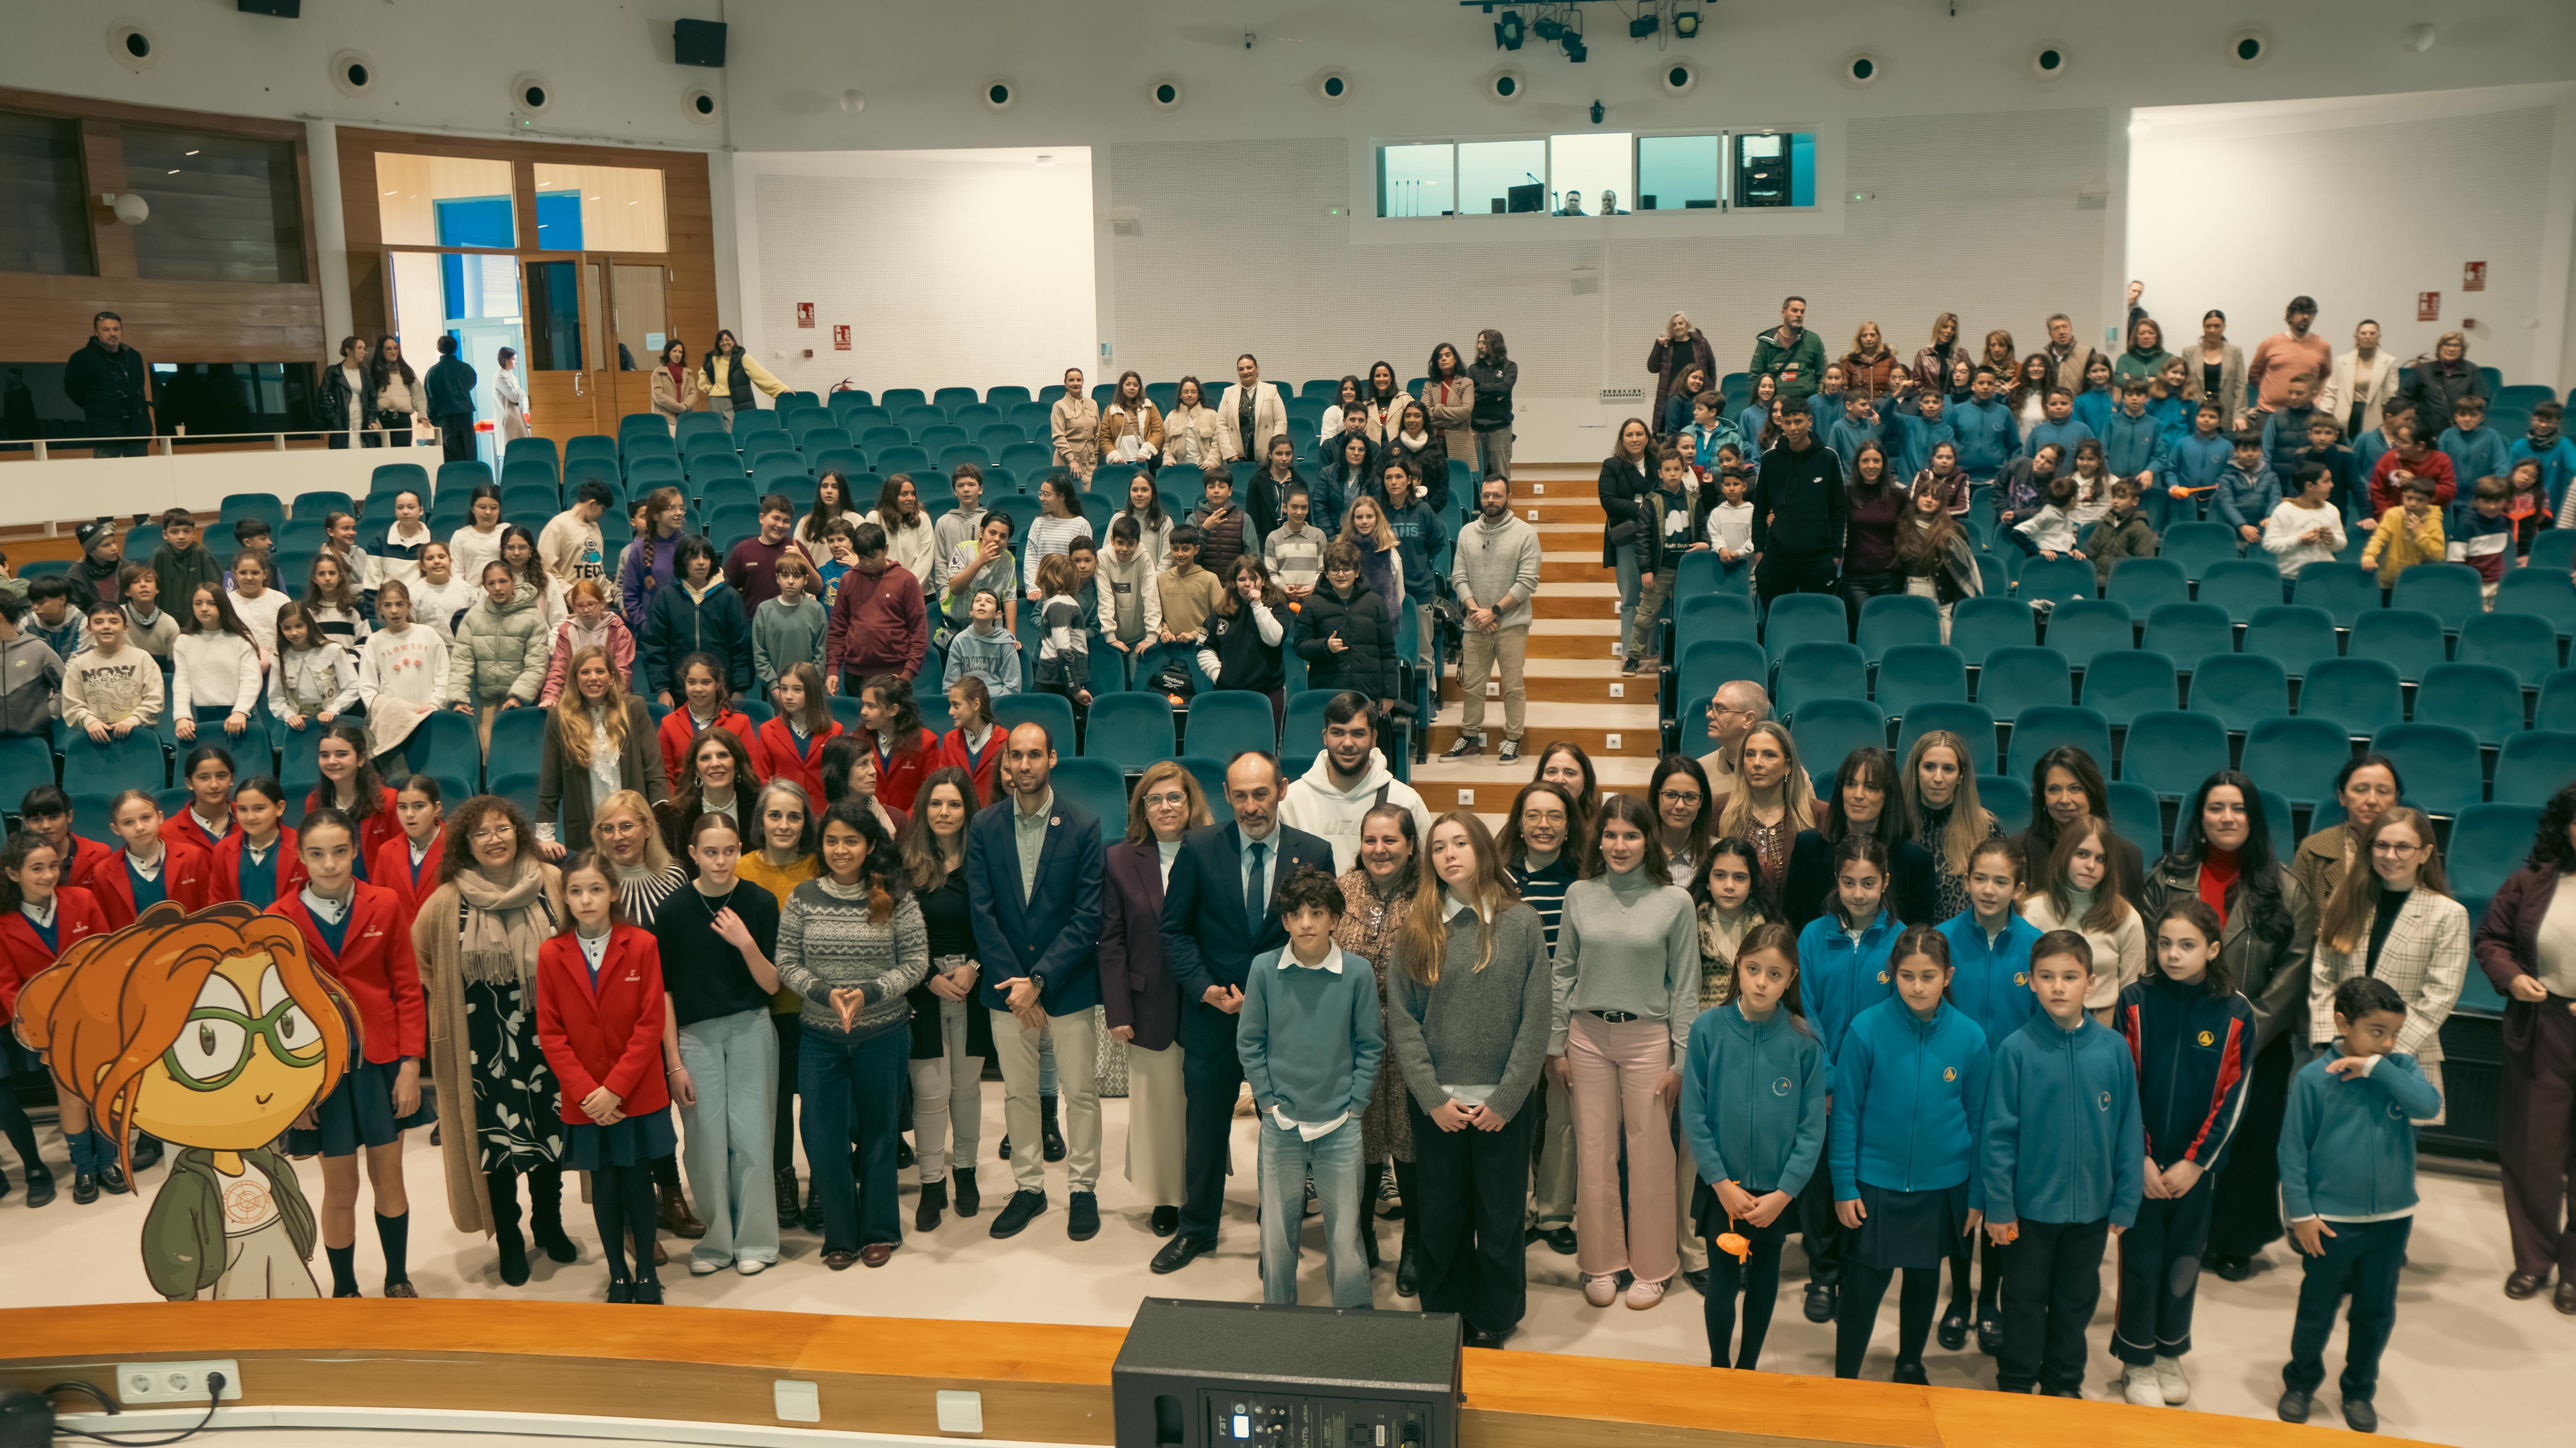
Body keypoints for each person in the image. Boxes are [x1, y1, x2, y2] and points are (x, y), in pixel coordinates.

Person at [1151, 753, 1335, 1275]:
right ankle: (1197, 1229)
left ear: (1280, 788)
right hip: (1211, 1017)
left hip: (1286, 1021)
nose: (1252, 805)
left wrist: (1274, 995)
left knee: (1283, 1134)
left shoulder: (1314, 851)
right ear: (1227, 796)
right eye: (1241, 795)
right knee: (1204, 1131)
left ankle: (1276, 1238)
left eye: (1261, 792)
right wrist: (1207, 989)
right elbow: (1175, 930)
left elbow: (1321, 937)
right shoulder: (1200, 847)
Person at [2142, 770, 2316, 1282]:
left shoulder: (2286, 887)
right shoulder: (2166, 878)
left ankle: (2236, 1240)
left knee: (2249, 1141)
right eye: (2215, 807)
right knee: (2182, 1134)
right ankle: (2178, 1230)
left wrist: (2240, 1032)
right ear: (2199, 819)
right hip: (2177, 1031)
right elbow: (2154, 953)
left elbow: (2295, 967)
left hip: (2258, 1039)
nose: (2226, 817)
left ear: (2253, 818)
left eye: (2237, 808)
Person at [411, 794, 573, 1288]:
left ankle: (550, 1222)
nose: (495, 838)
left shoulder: (550, 883)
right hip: (480, 1047)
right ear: (465, 843)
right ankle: (509, 1238)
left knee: (551, 1134)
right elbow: (424, 958)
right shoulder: (446, 901)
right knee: (495, 1146)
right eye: (481, 832)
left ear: (518, 832)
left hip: (546, 1039)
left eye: (503, 827)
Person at [273, 807, 429, 1298]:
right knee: (340, 1189)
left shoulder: (383, 903)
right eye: (317, 854)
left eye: (340, 851)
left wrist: (410, 1065)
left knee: (390, 1177)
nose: (330, 863)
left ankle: (398, 1277)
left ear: (354, 851)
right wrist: (292, 1093)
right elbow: (275, 1011)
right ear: (301, 857)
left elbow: (407, 987)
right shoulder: (277, 919)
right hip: (320, 1074)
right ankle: (344, 1288)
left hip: (382, 1065)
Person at [2275, 975, 2442, 1433]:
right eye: (2376, 1031)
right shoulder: (2313, 1078)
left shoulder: (2400, 1068)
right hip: (2329, 1224)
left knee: (2376, 1311)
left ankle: (2359, 1389)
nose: (2388, 1042)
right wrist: (2302, 1214)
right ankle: (2300, 1382)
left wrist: (2377, 1068)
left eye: (2394, 1033)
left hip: (2391, 1222)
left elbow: (2428, 1105)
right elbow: (2292, 1150)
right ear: (2342, 1022)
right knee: (2317, 1308)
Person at [1981, 929, 2143, 1398]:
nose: (2058, 987)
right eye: (2047, 976)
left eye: (2070, 976)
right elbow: (1998, 1136)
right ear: (2030, 981)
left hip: (2090, 1211)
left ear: (2090, 982)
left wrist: (2126, 1199)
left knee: (2076, 1300)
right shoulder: (2015, 1049)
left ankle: (2062, 1381)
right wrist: (1999, 1205)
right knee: (2022, 1298)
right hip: (2026, 1211)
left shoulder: (2113, 1049)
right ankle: (2015, 1378)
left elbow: (2129, 1128)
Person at [1551, 793, 1698, 1310]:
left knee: (1652, 1153)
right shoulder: (1579, 895)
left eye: (1631, 835)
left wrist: (1682, 1057)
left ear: (1648, 840)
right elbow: (1563, 971)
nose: (1619, 845)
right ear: (1598, 839)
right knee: (1594, 1151)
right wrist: (1556, 1043)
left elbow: (1685, 987)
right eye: (1610, 834)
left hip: (1648, 1038)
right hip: (1587, 1035)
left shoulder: (1675, 901)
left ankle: (1653, 1267)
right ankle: (1601, 1260)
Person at [963, 721, 1106, 1242]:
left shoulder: (1084, 825)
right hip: (1007, 989)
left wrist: (1040, 979)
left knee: (1081, 1092)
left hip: (1066, 982)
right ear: (1006, 765)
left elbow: (1088, 916)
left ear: (1052, 759)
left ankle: (1084, 1188)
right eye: (1015, 756)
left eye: (1034, 755)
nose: (1024, 765)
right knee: (1019, 1095)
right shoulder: (984, 825)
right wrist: (1015, 983)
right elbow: (983, 913)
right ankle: (1029, 1188)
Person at [2111, 896, 2255, 1406]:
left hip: (2197, 1169)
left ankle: (2170, 1351)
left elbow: (2233, 1098)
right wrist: (2141, 1157)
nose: (2174, 954)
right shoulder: (2134, 1001)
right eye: (2165, 943)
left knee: (2183, 1262)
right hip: (2144, 1164)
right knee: (2142, 1259)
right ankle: (2136, 1357)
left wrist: (2198, 1161)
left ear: (2213, 949)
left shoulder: (2237, 1012)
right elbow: (2122, 1086)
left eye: (2188, 945)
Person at [1829, 924, 1988, 1384]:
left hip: (1943, 1185)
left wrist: (1976, 1192)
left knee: (1923, 1280)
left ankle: (1910, 1362)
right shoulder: (1866, 1029)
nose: (1917, 986)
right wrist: (1844, 1183)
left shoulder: (1971, 1037)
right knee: (1863, 1284)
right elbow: (1846, 1115)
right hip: (1875, 1182)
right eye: (1907, 975)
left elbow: (1980, 1121)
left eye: (1928, 975)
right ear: (1892, 975)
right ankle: (1845, 1376)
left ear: (1948, 976)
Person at [778, 800, 931, 1269]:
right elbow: (786, 961)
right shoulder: (803, 895)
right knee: (823, 1136)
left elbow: (917, 962)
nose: (840, 850)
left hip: (883, 1033)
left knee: (882, 1132)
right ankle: (840, 1235)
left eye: (851, 840)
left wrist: (867, 992)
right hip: (821, 1037)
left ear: (869, 846)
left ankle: (880, 1230)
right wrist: (825, 992)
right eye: (832, 840)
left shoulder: (896, 895)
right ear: (821, 845)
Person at [1235, 863, 1381, 1307]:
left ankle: (1353, 1315)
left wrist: (1355, 1106)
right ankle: (1280, 1314)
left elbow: (1370, 1045)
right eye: (1296, 914)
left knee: (1345, 1233)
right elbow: (1251, 1041)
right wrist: (1267, 1101)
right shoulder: (1264, 969)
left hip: (1340, 1123)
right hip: (1282, 1124)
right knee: (1277, 1232)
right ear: (1284, 920)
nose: (1305, 923)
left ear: (1335, 919)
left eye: (1317, 913)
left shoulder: (1357, 973)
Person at [1683, 919, 1826, 1368]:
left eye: (1776, 973)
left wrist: (1784, 1193)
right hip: (1722, 1187)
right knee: (1722, 1285)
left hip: (1775, 1196)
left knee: (1764, 1281)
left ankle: (1748, 1368)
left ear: (1791, 979)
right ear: (1738, 968)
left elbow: (1811, 1130)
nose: (1762, 982)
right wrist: (1721, 1183)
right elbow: (1694, 1113)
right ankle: (1719, 1366)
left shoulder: (1804, 1041)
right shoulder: (1708, 1030)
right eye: (1754, 969)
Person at [533, 848, 674, 1302]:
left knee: (638, 1179)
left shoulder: (642, 943)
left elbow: (651, 1021)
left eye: (596, 889)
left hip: (634, 1091)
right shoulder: (552, 954)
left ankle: (647, 1271)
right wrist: (589, 1091)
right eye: (576, 891)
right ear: (566, 899)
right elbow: (551, 1033)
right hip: (586, 1097)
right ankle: (618, 1272)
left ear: (613, 891)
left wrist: (615, 1087)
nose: (587, 899)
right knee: (606, 1185)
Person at [654, 812, 784, 1276]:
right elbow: (663, 992)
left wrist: (746, 942)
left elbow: (772, 984)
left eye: (730, 850)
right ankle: (715, 1242)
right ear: (692, 854)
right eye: (711, 851)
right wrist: (673, 1062)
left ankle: (757, 1241)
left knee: (752, 1137)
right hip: (694, 1037)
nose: (721, 860)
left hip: (751, 1026)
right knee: (705, 1142)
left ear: (739, 848)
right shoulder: (671, 912)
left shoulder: (760, 902)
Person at [2475, 784, 2576, 1311]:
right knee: (2534, 1152)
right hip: (2545, 1025)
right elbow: (2491, 939)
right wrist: (2511, 977)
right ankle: (2534, 1260)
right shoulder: (2531, 882)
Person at [1099, 760, 1207, 1240]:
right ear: (1142, 806)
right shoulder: (1120, 859)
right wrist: (1118, 1010)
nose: (1166, 807)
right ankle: (1166, 1196)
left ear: (1191, 803)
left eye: (1175, 797)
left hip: (1207, 1003)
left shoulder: (1212, 851)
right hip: (1149, 1005)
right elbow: (1112, 940)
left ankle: (1202, 1190)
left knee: (1201, 1104)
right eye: (1155, 798)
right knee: (1158, 1106)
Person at [2307, 805, 2467, 1110]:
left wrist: (2382, 1051)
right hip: (2339, 1051)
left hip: (2404, 1058)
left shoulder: (2448, 914)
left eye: (2403, 847)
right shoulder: (2345, 899)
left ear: (2425, 853)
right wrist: (2338, 1041)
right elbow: (2323, 975)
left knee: (2390, 1152)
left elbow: (2439, 996)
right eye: (2381, 845)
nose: (2390, 856)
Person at [0, 832, 112, 1206]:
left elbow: (105, 960)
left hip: (94, 1017)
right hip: (46, 1030)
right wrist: (40, 1029)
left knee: (100, 1089)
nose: (48, 875)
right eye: (37, 869)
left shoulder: (83, 900)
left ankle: (109, 1162)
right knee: (70, 1095)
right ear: (13, 874)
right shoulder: (3, 921)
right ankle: (83, 1167)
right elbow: (8, 986)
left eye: (53, 866)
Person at [737, 781, 823, 1229]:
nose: (785, 824)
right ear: (761, 820)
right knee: (774, 1107)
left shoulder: (819, 865)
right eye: (775, 815)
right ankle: (782, 1179)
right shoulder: (741, 869)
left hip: (815, 1010)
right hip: (762, 1013)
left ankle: (824, 1182)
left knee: (817, 1103)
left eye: (794, 816)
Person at [536, 645, 670, 859]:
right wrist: (545, 835)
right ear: (575, 678)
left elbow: (654, 770)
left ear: (612, 677)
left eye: (600, 671)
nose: (593, 678)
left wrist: (664, 820)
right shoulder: (558, 718)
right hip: (586, 825)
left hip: (633, 823)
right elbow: (551, 780)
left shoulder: (635, 708)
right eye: (585, 672)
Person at [1279, 693, 1432, 872]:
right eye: (1338, 733)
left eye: (1358, 734)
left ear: (1374, 737)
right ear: (1325, 737)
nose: (1348, 743)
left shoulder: (1405, 800)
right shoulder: (1291, 800)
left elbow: (1427, 871)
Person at [1445, 477, 1540, 762]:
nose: (1491, 501)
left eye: (1497, 496)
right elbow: (1458, 577)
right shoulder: (1466, 533)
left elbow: (1527, 582)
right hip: (1475, 624)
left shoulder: (1525, 534)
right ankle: (1470, 737)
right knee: (1473, 686)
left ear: (1509, 497)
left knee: (1513, 686)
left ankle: (1513, 739)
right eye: (1486, 495)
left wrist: (1494, 612)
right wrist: (1476, 612)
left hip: (1511, 623)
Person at [1783, 746, 1932, 929]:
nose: (1858, 795)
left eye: (1871, 787)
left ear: (1888, 795)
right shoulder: (1808, 846)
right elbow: (1791, 927)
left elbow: (1920, 939)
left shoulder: (1916, 859)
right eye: (1851, 784)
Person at [2020, 818, 2147, 1016]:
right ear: (2064, 855)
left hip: (2105, 1020)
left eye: (2101, 859)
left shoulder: (2127, 918)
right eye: (2082, 854)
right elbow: (2022, 982)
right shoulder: (2031, 912)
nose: (2091, 865)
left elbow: (2131, 993)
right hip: (2043, 1017)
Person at [444, 561, 551, 752]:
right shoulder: (473, 618)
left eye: (503, 581)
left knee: (520, 758)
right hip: (486, 703)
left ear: (514, 581)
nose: (498, 588)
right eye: (491, 583)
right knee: (488, 760)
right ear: (484, 586)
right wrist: (458, 698)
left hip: (523, 705)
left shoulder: (534, 618)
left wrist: (519, 696)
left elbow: (537, 665)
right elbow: (462, 660)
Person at [1749, 399, 1846, 607]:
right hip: (1777, 559)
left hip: (1819, 559)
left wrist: (1836, 555)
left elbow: (1838, 511)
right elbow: (1760, 510)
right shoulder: (1770, 460)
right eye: (1788, 422)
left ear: (1809, 421)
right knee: (1776, 621)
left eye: (1799, 421)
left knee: (1819, 621)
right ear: (1781, 424)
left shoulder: (1828, 458)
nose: (1793, 428)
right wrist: (1760, 554)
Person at [1626, 447, 1707, 676]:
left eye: (1677, 469)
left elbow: (1702, 528)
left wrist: (1705, 543)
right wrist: (1646, 570)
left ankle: (1683, 659)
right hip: (1660, 569)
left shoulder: (1693, 499)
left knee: (1685, 615)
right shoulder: (1652, 501)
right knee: (1645, 616)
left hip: (1687, 571)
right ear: (1660, 473)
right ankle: (1633, 658)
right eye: (1668, 470)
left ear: (1684, 471)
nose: (1673, 474)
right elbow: (1642, 539)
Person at [1295, 542, 1399, 717]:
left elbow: (1388, 650)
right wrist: (1325, 647)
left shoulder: (1375, 603)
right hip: (1328, 692)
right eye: (1335, 570)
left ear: (1357, 572)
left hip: (1367, 692)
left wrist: (1389, 694)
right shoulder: (1312, 605)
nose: (1341, 575)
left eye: (1347, 569)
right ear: (1327, 574)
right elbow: (1300, 646)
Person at [1903, 730, 1998, 923]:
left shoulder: (1986, 825)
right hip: (1905, 942)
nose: (1938, 778)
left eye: (1948, 769)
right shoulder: (1895, 823)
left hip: (1964, 941)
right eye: (1929, 767)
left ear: (1961, 775)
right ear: (1916, 771)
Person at [86, 789, 213, 930]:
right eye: (128, 823)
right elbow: (106, 931)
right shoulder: (103, 872)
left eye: (146, 818)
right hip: (134, 950)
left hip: (192, 947)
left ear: (160, 817)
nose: (140, 828)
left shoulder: (193, 857)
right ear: (116, 829)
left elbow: (209, 913)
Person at [824, 522, 928, 695]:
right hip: (855, 675)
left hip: (895, 674)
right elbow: (838, 630)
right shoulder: (848, 580)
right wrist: (833, 669)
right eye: (862, 558)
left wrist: (908, 674)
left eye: (873, 556)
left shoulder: (906, 580)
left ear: (886, 549)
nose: (868, 563)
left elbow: (919, 632)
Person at [171, 584, 262, 748]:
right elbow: (182, 682)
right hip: (201, 716)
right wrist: (182, 717)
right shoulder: (184, 641)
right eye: (198, 603)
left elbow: (252, 679)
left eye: (211, 603)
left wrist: (240, 711)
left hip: (241, 716)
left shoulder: (241, 639)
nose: (204, 609)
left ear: (222, 605)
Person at [61, 598, 162, 746]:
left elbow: (155, 699)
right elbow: (72, 704)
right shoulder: (79, 665)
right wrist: (89, 721)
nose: (106, 627)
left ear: (125, 628)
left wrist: (134, 720)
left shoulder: (142, 658)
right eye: (99, 622)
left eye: (114, 622)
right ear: (89, 628)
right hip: (97, 738)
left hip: (138, 736)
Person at [1598, 417, 1657, 651]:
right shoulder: (1612, 465)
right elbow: (1608, 501)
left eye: (1639, 434)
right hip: (1627, 538)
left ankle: (1654, 652)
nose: (1635, 439)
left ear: (1647, 438)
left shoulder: (1658, 462)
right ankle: (1630, 652)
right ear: (1622, 439)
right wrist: (1641, 508)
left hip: (1656, 537)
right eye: (1629, 435)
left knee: (1655, 599)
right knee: (1630, 598)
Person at [65, 311, 152, 456]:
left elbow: (139, 387)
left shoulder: (134, 356)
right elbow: (73, 390)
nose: (112, 334)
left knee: (140, 475)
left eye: (116, 329)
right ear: (96, 332)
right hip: (105, 431)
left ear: (121, 331)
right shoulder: (82, 358)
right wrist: (99, 406)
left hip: (137, 430)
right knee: (108, 475)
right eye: (106, 330)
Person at [538, 579, 636, 706]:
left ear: (601, 604)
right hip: (575, 698)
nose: (586, 610)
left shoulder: (619, 631)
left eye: (591, 604)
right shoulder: (566, 631)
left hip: (613, 698)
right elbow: (558, 668)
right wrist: (551, 696)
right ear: (574, 607)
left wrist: (610, 700)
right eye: (580, 606)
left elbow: (622, 672)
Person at [2265, 464, 2347, 595]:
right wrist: (2299, 541)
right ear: (2309, 486)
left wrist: (2332, 540)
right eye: (2326, 481)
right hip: (2291, 581)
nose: (2332, 485)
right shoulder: (2285, 510)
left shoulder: (2331, 510)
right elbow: (2270, 545)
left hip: (2325, 579)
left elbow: (2341, 544)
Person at [2403, 329, 2488, 440]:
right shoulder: (2423, 371)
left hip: (2461, 433)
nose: (2452, 349)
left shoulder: (2472, 371)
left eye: (2457, 346)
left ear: (2463, 350)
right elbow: (2405, 398)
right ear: (2440, 348)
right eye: (2447, 345)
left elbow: (2480, 402)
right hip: (2426, 433)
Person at [2361, 476, 2445, 588]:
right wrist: (2369, 555)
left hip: (2419, 582)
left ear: (2431, 501)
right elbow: (2379, 537)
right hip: (2389, 580)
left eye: (2420, 500)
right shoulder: (2393, 514)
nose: (2413, 504)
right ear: (2403, 497)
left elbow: (2438, 555)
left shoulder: (2433, 521)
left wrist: (2420, 534)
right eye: (2409, 498)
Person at [2321, 320, 2397, 440]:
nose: (2368, 337)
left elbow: (2390, 397)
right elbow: (2331, 392)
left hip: (2373, 417)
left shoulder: (2389, 362)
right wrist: (2325, 416)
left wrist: (2387, 423)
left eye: (2372, 333)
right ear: (2356, 337)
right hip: (2345, 416)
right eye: (2364, 333)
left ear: (2379, 337)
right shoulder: (2342, 361)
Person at [1215, 353, 1289, 467]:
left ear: (1257, 369)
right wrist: (1230, 453)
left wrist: (1275, 450)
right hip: (1237, 457)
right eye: (1241, 369)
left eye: (1249, 367)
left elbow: (1281, 422)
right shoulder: (1229, 393)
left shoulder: (1271, 390)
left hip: (1267, 454)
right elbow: (1222, 426)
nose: (1245, 372)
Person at [161, 745, 236, 858]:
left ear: (232, 779)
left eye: (221, 776)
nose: (214, 785)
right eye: (204, 778)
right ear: (189, 783)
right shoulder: (167, 833)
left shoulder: (254, 819)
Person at [698, 329, 783, 420]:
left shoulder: (742, 358)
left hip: (733, 401)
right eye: (721, 341)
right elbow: (703, 374)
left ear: (734, 342)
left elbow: (761, 375)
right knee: (716, 429)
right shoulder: (713, 359)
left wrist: (782, 389)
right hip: (715, 400)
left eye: (727, 340)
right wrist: (709, 388)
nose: (725, 343)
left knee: (733, 428)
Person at [424, 335, 478, 461]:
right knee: (469, 456)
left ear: (439, 349)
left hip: (445, 420)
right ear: (455, 348)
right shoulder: (466, 368)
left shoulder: (433, 372)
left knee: (452, 458)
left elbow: (430, 399)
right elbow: (471, 383)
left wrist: (433, 420)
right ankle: (472, 480)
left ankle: (455, 481)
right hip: (466, 417)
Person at [491, 346, 528, 444]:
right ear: (506, 360)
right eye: (514, 359)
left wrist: (520, 392)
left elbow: (519, 394)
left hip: (515, 416)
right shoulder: (501, 377)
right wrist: (521, 392)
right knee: (512, 449)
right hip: (508, 419)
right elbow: (515, 397)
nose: (516, 362)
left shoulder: (511, 376)